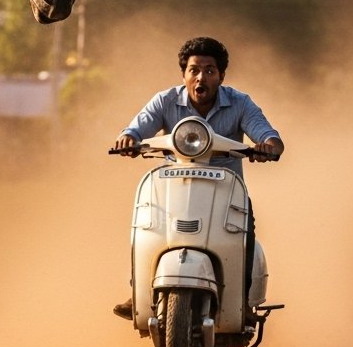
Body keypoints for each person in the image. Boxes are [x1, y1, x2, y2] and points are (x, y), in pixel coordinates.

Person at [112, 36, 285, 320]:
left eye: (209, 70)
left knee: (245, 235)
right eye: (194, 70)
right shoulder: (165, 100)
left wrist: (268, 145)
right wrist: (128, 139)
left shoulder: (240, 103)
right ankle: (139, 292)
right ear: (183, 74)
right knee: (146, 228)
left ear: (221, 76)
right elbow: (136, 128)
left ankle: (242, 301)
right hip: (172, 191)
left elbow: (268, 134)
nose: (200, 77)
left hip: (226, 194)